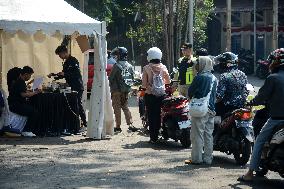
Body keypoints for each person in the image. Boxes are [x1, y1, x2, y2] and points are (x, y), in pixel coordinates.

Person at [238, 48, 284, 182]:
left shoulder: (273, 78)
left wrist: (251, 102)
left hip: (276, 119)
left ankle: (250, 173)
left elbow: (261, 96)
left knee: (259, 141)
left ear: (275, 61)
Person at [185, 56, 218, 165]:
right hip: (211, 109)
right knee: (208, 135)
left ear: (203, 64)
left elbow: (190, 92)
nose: (196, 66)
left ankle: (196, 159)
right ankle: (208, 159)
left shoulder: (199, 77)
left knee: (197, 135)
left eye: (198, 64)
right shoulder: (214, 78)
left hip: (200, 110)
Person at [50, 45, 87, 128]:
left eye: (60, 55)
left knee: (78, 104)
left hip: (77, 86)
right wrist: (54, 75)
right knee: (72, 104)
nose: (60, 57)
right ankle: (74, 122)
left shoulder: (73, 61)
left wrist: (65, 74)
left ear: (64, 52)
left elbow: (76, 74)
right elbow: (63, 74)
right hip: (70, 87)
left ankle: (84, 122)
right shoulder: (66, 62)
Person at [142, 47, 170, 143]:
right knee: (161, 114)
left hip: (150, 95)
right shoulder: (163, 67)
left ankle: (153, 138)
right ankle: (163, 133)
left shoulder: (146, 68)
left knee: (151, 115)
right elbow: (168, 81)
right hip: (161, 95)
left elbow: (144, 85)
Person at [109, 47, 138, 133]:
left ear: (119, 55)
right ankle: (130, 124)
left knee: (117, 108)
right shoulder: (130, 66)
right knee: (125, 107)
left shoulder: (116, 66)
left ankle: (118, 127)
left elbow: (111, 78)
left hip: (116, 91)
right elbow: (133, 78)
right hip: (126, 90)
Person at [8, 66, 41, 137]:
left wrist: (31, 91)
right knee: (34, 112)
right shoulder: (20, 82)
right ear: (26, 74)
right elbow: (24, 95)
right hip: (15, 105)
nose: (30, 77)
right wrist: (35, 92)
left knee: (32, 108)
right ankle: (27, 130)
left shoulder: (20, 81)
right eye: (30, 75)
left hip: (15, 103)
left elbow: (23, 92)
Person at [215, 52, 248, 118]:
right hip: (242, 105)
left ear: (226, 64)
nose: (220, 64)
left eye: (222, 62)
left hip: (228, 107)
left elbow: (219, 96)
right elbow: (246, 90)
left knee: (214, 115)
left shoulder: (224, 76)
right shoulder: (242, 74)